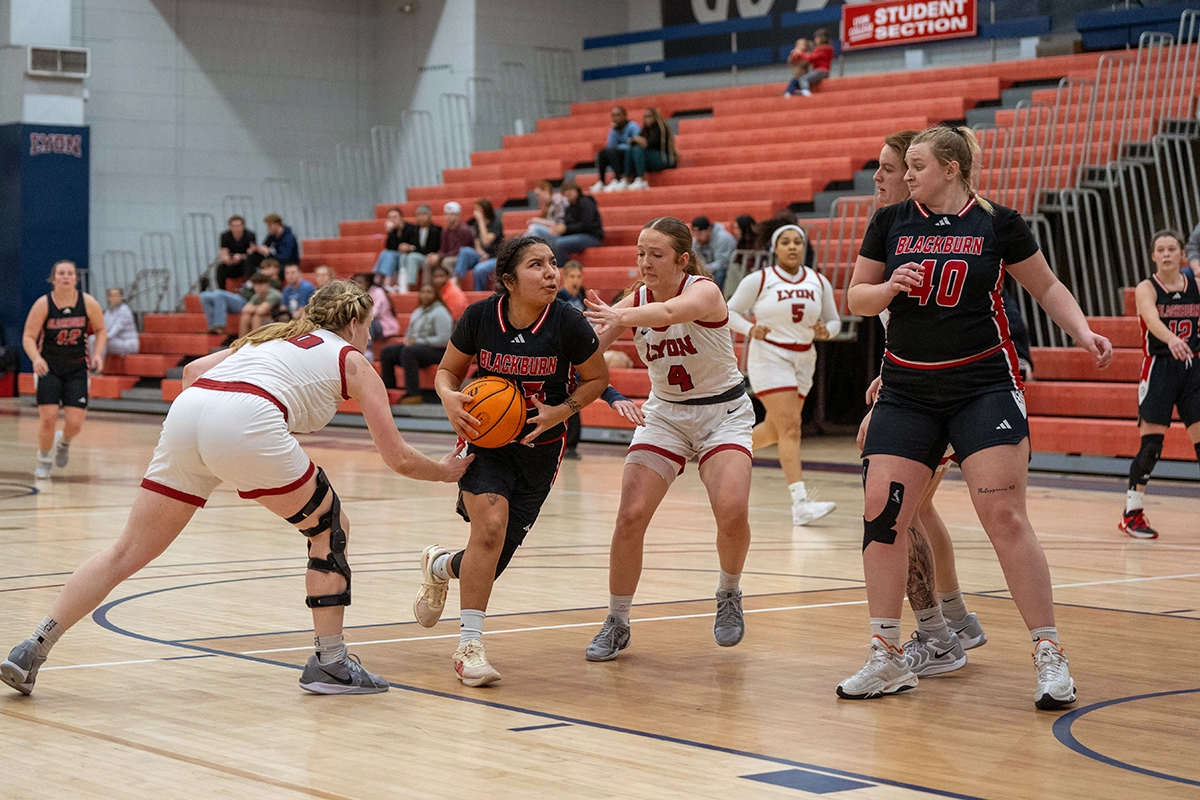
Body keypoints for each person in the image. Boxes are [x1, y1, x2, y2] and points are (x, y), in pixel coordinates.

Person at [1, 281, 472, 697]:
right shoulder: (351, 360)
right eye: (368, 326)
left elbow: (189, 374)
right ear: (351, 321)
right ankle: (330, 662)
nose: (370, 337)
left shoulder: (272, 336)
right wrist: (446, 471)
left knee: (126, 551)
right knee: (331, 527)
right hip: (247, 418)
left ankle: (33, 645)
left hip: (191, 412)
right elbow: (398, 456)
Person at [842, 124, 1113, 710]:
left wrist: (1083, 330)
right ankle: (886, 654)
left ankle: (1049, 653)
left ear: (952, 167)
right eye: (903, 165)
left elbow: (1045, 286)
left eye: (915, 164)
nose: (904, 173)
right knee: (881, 514)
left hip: (982, 385)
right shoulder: (890, 223)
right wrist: (889, 285)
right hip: (908, 389)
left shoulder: (997, 221)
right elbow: (855, 299)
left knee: (1004, 515)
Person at [411, 236, 609, 687]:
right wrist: (447, 397)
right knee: (491, 528)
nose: (550, 272)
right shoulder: (480, 317)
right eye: (536, 265)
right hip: (485, 441)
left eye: (553, 264)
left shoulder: (568, 322)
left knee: (491, 559)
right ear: (508, 280)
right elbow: (447, 372)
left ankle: (440, 565)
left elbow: (598, 378)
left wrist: (563, 410)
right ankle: (469, 647)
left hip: (541, 450)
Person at [580, 217, 755, 662]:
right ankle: (617, 620)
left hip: (723, 413)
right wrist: (611, 392)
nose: (644, 262)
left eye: (655, 254)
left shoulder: (704, 291)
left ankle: (729, 592)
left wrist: (620, 313)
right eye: (640, 253)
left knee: (732, 512)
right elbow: (586, 359)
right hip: (666, 416)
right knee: (629, 516)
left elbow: (671, 314)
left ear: (681, 259)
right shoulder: (632, 302)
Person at [854, 129, 988, 681]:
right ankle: (956, 620)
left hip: (964, 388)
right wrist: (887, 377)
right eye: (885, 169)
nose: (886, 178)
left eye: (894, 167)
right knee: (918, 510)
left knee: (899, 513)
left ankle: (937, 632)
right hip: (912, 384)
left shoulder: (964, 231)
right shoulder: (894, 230)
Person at [727, 219, 839, 526]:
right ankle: (800, 503)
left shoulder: (818, 281)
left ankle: (721, 451)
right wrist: (752, 329)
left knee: (776, 431)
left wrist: (826, 331)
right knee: (791, 428)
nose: (792, 247)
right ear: (774, 248)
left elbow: (834, 321)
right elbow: (729, 311)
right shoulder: (760, 279)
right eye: (786, 242)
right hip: (769, 356)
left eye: (797, 242)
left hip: (805, 358)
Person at [1121, 229, 1200, 538]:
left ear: (1182, 254)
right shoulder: (1147, 287)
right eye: (1161, 249)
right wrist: (1171, 339)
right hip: (1160, 368)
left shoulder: (1194, 284)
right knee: (1152, 446)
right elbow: (1152, 320)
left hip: (1193, 369)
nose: (1166, 254)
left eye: (1172, 249)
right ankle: (1132, 513)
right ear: (1153, 256)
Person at [22, 260, 107, 479]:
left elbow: (100, 329)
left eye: (70, 273)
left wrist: (97, 354)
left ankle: (64, 442)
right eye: (61, 273)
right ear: (54, 278)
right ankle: (43, 459)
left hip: (77, 367)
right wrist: (36, 358)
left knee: (76, 423)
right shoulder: (44, 304)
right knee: (48, 417)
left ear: (76, 278)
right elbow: (29, 337)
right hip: (49, 367)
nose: (66, 276)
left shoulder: (88, 303)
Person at [379, 282, 454, 404]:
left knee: (409, 352)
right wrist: (408, 340)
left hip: (438, 351)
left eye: (429, 292)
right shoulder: (417, 311)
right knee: (388, 352)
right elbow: (410, 332)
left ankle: (413, 393)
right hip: (418, 348)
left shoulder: (441, 312)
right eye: (423, 292)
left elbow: (444, 340)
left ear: (436, 295)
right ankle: (389, 389)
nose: (425, 295)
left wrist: (418, 341)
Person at [543, 181, 604, 269]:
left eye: (570, 190)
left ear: (577, 190)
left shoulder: (586, 202)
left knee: (560, 243)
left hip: (592, 236)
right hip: (578, 235)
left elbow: (586, 225)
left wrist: (565, 229)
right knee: (552, 240)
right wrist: (560, 230)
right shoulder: (569, 207)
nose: (567, 193)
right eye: (565, 191)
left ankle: (560, 270)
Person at [624, 108, 678, 191]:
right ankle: (627, 179)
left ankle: (641, 180)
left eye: (650, 117)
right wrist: (637, 140)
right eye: (645, 117)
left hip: (664, 158)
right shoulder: (645, 130)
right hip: (651, 158)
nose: (647, 119)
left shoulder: (660, 128)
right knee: (631, 150)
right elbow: (633, 142)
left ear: (656, 117)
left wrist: (640, 141)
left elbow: (651, 143)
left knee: (637, 149)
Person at [455, 199, 504, 291]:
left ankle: (478, 292)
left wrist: (481, 221)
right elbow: (477, 244)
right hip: (483, 255)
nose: (475, 212)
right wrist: (482, 254)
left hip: (495, 257)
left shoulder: (496, 223)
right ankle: (456, 279)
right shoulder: (476, 224)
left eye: (478, 209)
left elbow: (486, 241)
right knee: (464, 251)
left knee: (478, 269)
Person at [591, 106, 641, 193]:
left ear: (624, 116)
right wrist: (614, 132)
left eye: (618, 115)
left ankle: (619, 179)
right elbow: (610, 146)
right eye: (613, 115)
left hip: (630, 154)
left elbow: (636, 142)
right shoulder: (614, 130)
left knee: (611, 152)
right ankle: (601, 181)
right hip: (617, 154)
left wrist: (620, 147)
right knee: (602, 153)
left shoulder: (633, 126)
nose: (615, 118)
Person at [372, 208, 415, 289]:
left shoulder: (410, 228)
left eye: (394, 217)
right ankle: (378, 277)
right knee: (385, 253)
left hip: (406, 255)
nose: (392, 220)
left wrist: (408, 247)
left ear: (401, 217)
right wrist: (389, 232)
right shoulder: (393, 231)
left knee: (390, 255)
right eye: (390, 218)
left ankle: (385, 281)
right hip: (396, 255)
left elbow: (414, 244)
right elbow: (389, 247)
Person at [427, 202, 475, 275]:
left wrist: (439, 256)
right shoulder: (445, 230)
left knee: (447, 261)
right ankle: (427, 285)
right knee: (428, 261)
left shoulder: (464, 229)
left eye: (452, 214)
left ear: (458, 215)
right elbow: (443, 248)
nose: (449, 217)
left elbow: (459, 250)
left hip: (463, 258)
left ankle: (451, 284)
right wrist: (435, 255)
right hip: (449, 255)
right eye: (447, 214)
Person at [402, 204, 442, 289]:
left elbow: (430, 249)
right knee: (404, 256)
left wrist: (412, 248)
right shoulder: (413, 230)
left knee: (412, 257)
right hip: (418, 257)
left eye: (423, 214)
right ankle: (401, 282)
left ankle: (410, 286)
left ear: (429, 216)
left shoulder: (437, 230)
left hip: (430, 256)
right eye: (419, 215)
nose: (421, 217)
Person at [692, 216, 738, 289]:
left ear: (709, 229)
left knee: (719, 273)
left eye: (700, 233)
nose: (698, 237)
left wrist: (703, 269)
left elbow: (722, 263)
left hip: (728, 270)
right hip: (710, 269)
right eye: (695, 234)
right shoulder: (696, 242)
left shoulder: (723, 239)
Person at [785, 29, 833, 97]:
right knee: (809, 81)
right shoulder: (829, 48)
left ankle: (806, 92)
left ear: (819, 39)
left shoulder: (821, 49)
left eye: (816, 38)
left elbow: (811, 57)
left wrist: (800, 54)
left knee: (803, 79)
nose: (815, 40)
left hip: (820, 71)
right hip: (825, 71)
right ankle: (801, 91)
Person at [217, 215, 260, 289]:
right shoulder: (225, 236)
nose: (236, 228)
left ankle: (249, 287)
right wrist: (231, 260)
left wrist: (240, 257)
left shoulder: (250, 235)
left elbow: (251, 253)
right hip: (232, 262)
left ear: (243, 226)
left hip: (244, 262)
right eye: (234, 226)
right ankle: (222, 290)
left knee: (250, 263)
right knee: (220, 268)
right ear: (230, 227)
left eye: (238, 226)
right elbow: (223, 255)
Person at [238, 271, 283, 337]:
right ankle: (241, 342)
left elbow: (261, 311)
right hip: (266, 317)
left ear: (267, 284)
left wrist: (253, 308)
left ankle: (255, 341)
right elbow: (244, 310)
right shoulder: (256, 296)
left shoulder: (274, 294)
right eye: (256, 285)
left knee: (257, 317)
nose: (258, 287)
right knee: (246, 317)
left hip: (277, 319)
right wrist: (256, 308)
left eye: (260, 284)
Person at [101, 287, 139, 357]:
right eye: (111, 296)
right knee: (92, 339)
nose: (114, 298)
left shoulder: (124, 310)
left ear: (121, 297)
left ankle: (98, 367)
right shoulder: (109, 311)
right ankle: (95, 365)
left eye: (116, 296)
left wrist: (102, 337)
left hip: (127, 342)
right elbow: (103, 327)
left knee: (101, 341)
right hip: (115, 341)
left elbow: (115, 329)